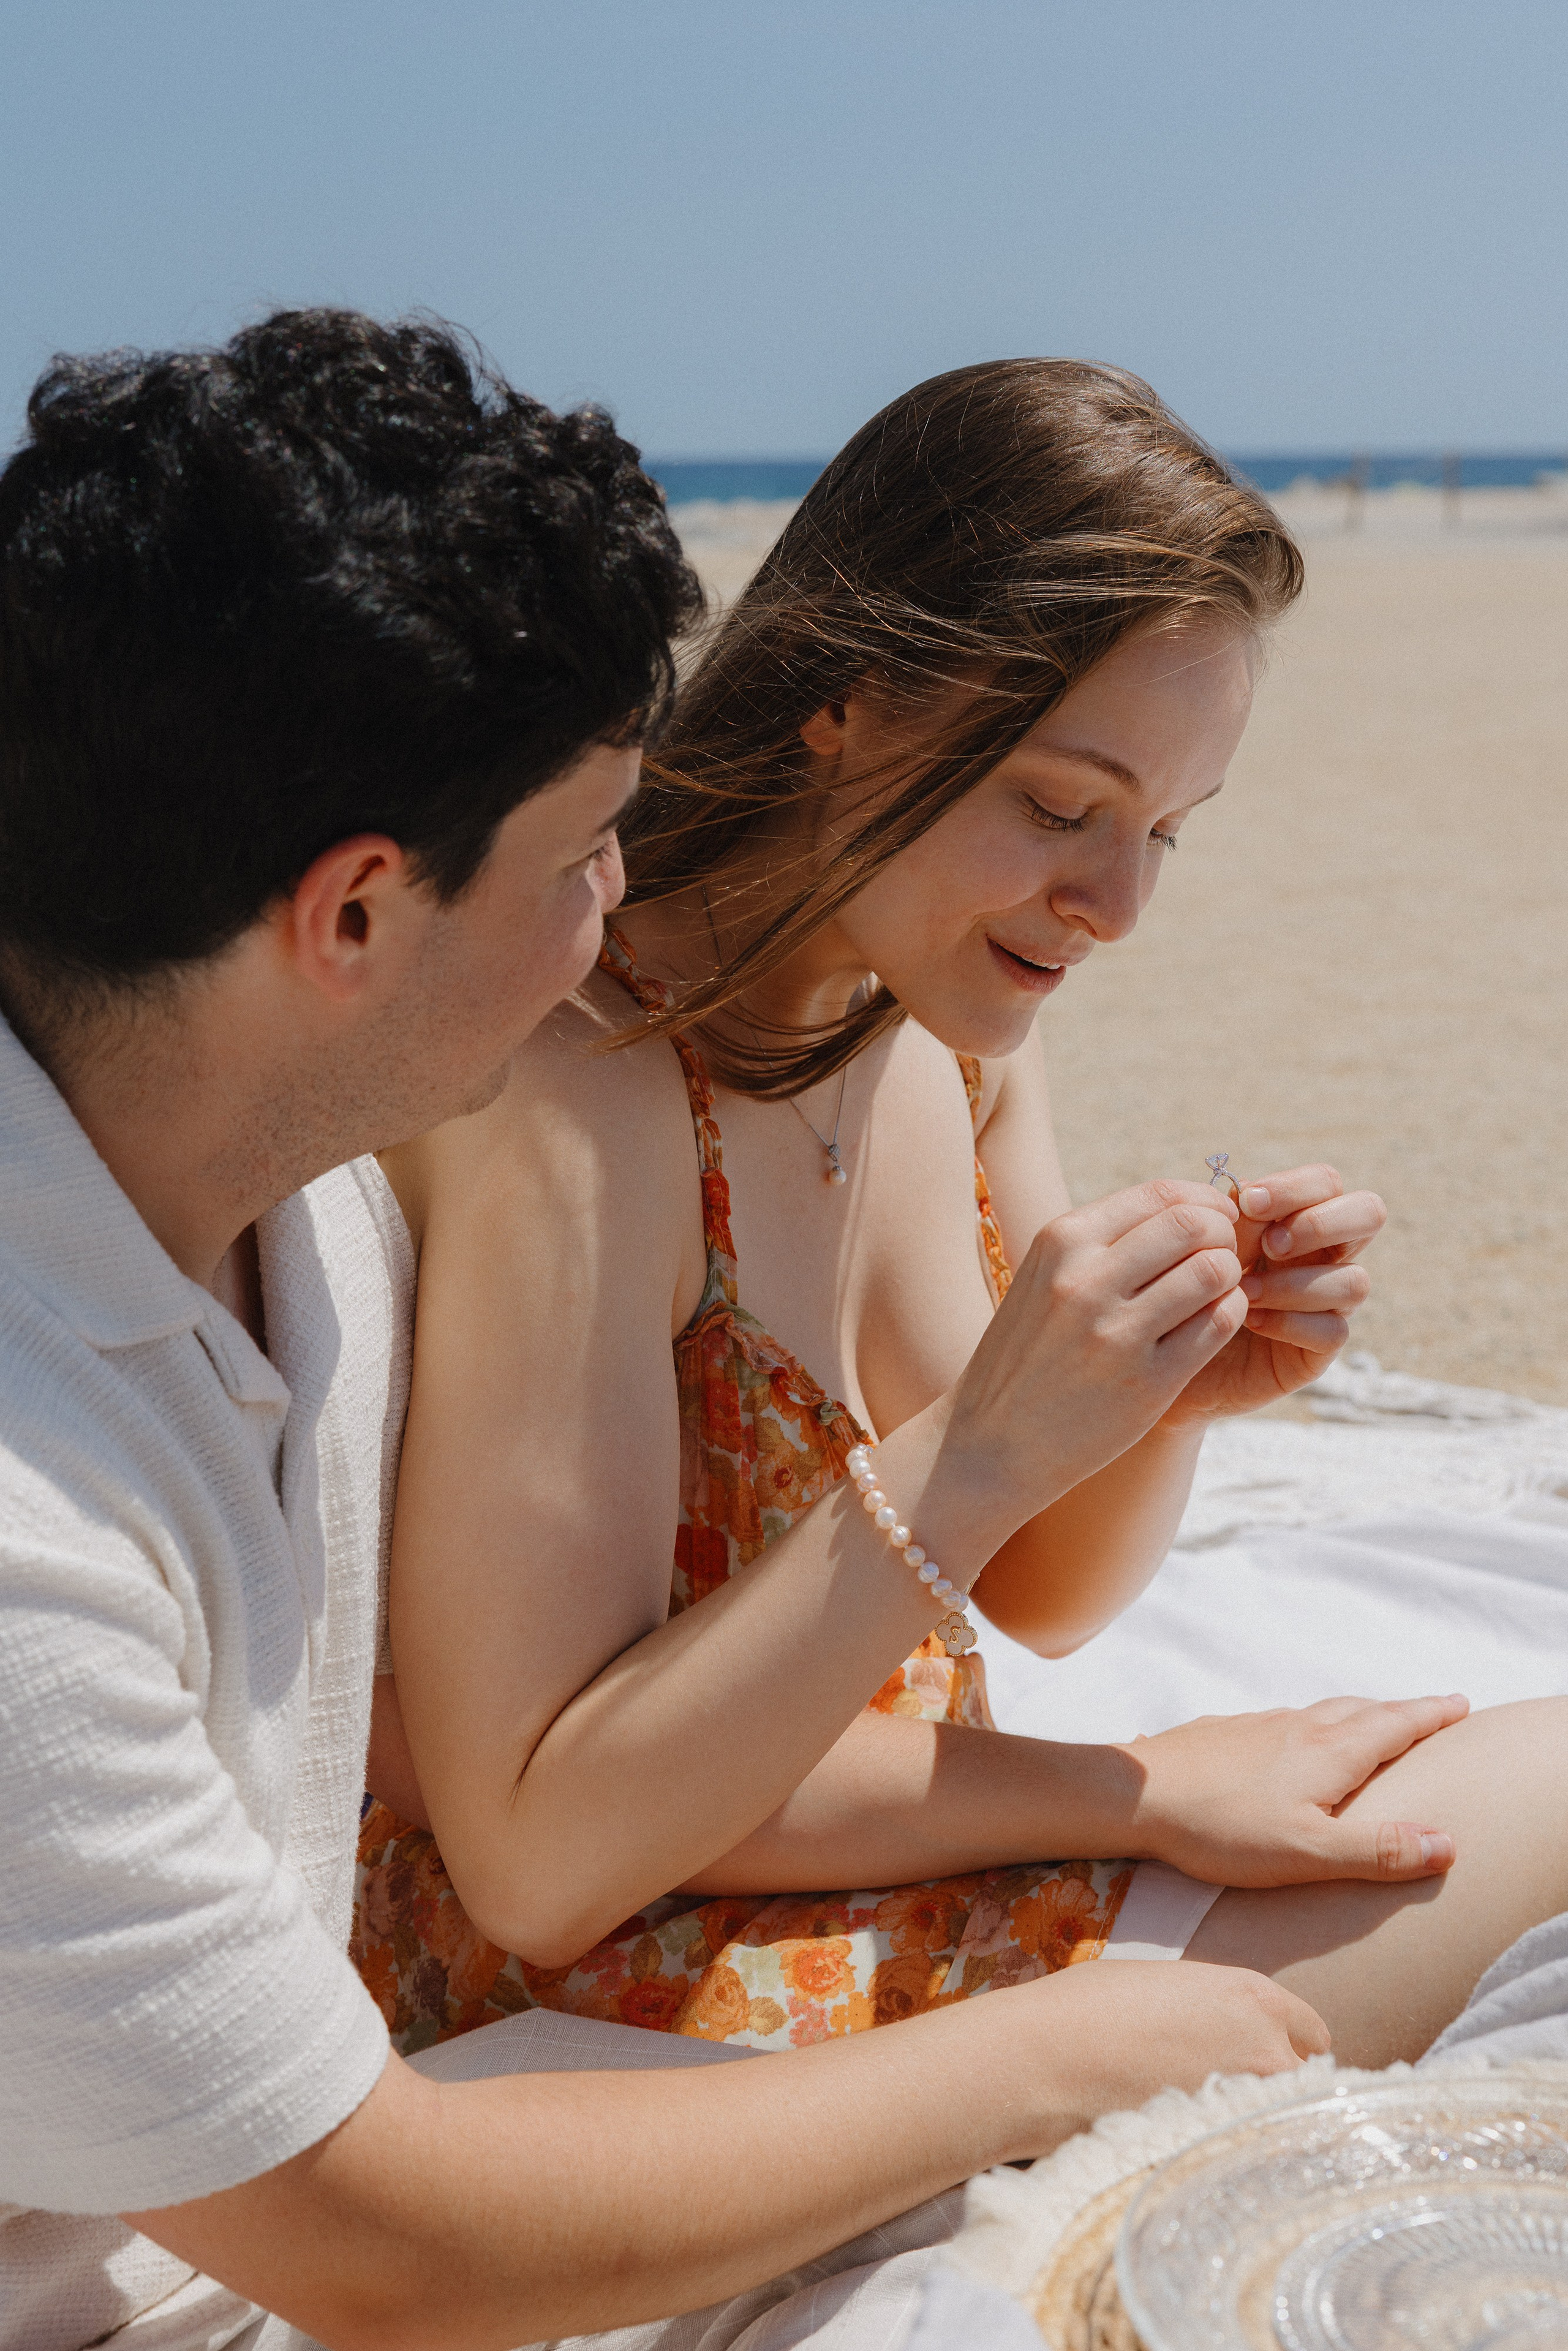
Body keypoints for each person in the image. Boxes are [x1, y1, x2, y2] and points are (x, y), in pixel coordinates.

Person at [0, 314, 1335, 2351]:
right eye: (578, 855)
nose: (619, 916)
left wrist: (1129, 1417)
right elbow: (399, 2215)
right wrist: (1068, 2031)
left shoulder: (309, 1212)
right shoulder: (42, 1531)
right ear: (354, 915)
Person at [360, 359, 1568, 2078]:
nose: (1118, 902)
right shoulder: (586, 1090)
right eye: (1064, 808)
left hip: (913, 1852)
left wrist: (1161, 1396)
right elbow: (542, 1847)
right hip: (641, 1981)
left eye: (1167, 832)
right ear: (841, 704)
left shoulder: (943, 1019)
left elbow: (1053, 1593)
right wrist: (1134, 1788)